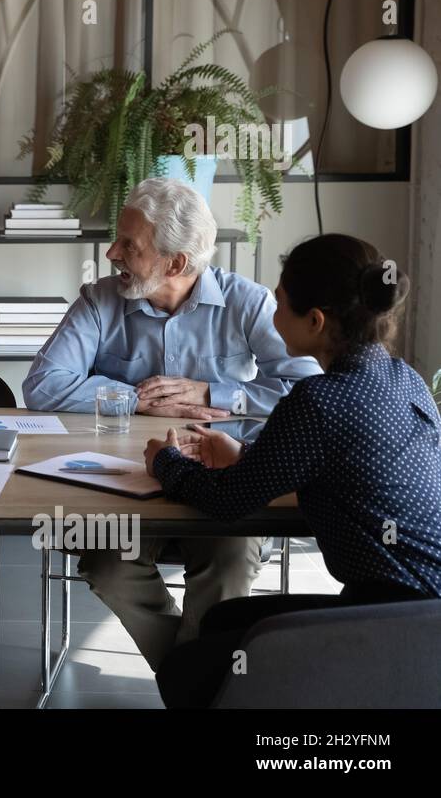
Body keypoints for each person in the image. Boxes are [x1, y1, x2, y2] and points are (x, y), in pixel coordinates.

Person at [22, 177, 322, 671]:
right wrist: (136, 400)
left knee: (230, 563)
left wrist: (213, 393)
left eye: (129, 245)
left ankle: (192, 679)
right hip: (122, 481)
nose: (112, 252)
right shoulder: (100, 301)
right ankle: (194, 677)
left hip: (225, 480)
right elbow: (43, 385)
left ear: (176, 263)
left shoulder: (245, 302)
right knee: (106, 563)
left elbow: (306, 388)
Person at [144, 234, 441, 707]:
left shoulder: (318, 401)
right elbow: (345, 465)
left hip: (397, 623)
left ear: (316, 321)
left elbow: (227, 503)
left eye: (279, 302)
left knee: (187, 672)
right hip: (421, 607)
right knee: (224, 623)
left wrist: (166, 462)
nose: (271, 312)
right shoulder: (406, 379)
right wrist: (245, 455)